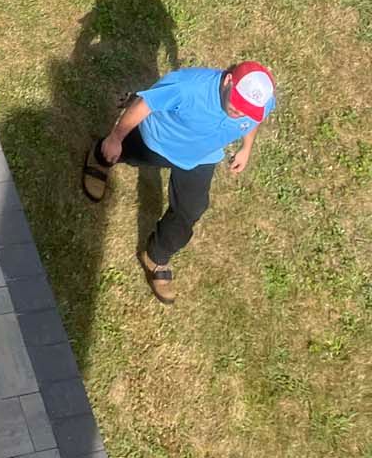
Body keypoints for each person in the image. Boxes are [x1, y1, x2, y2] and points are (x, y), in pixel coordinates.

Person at [80, 61, 276, 304]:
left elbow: (253, 120)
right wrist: (115, 137)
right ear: (228, 81)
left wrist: (247, 147)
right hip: (157, 140)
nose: (240, 111)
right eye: (238, 102)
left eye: (248, 108)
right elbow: (145, 104)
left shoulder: (260, 103)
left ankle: (156, 256)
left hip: (201, 156)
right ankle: (99, 157)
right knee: (117, 152)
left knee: (191, 209)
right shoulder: (187, 86)